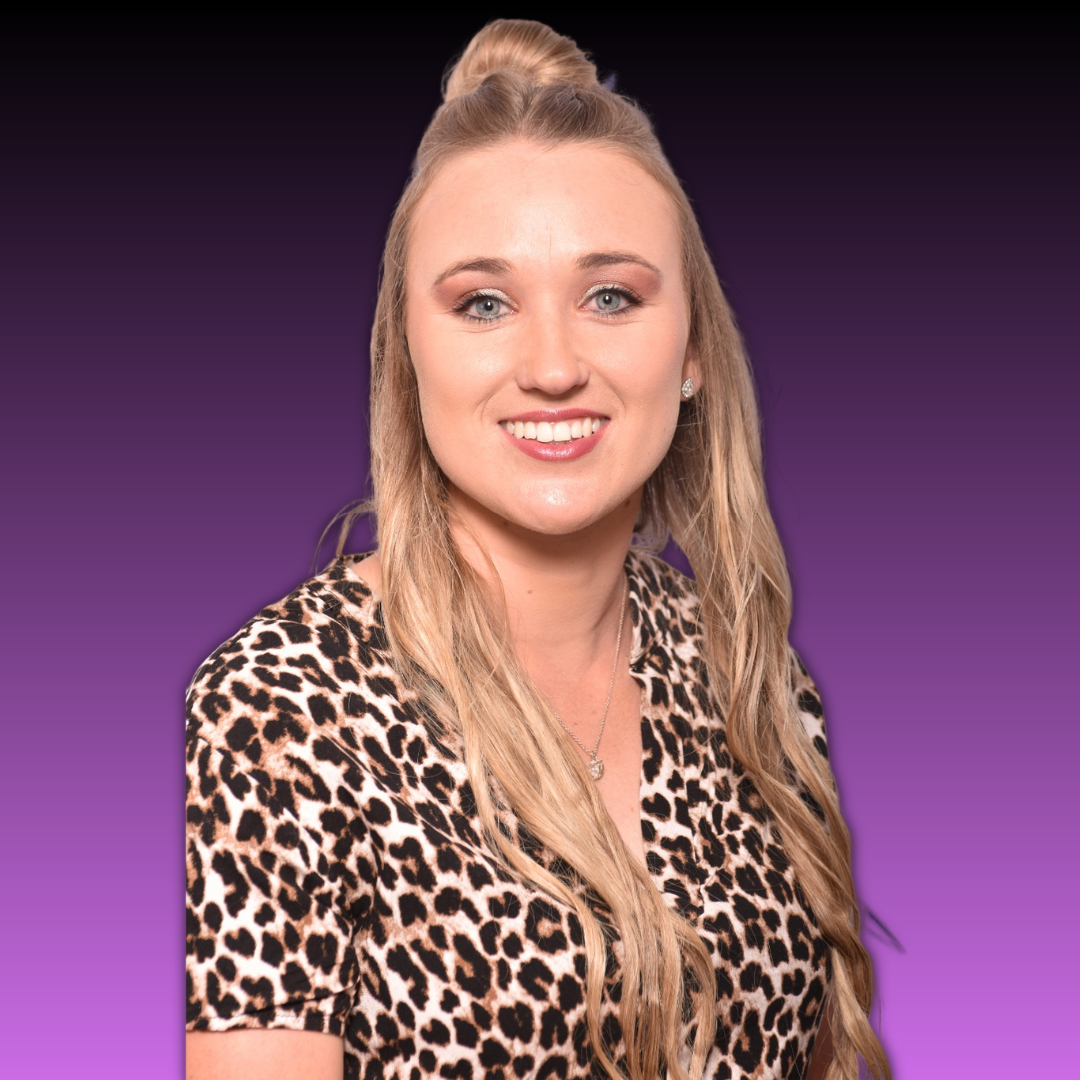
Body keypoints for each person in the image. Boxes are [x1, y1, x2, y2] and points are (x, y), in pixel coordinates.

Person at [185, 20, 890, 1080]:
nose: (553, 366)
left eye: (611, 297)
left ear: (692, 351)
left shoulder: (749, 673)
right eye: (484, 303)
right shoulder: (283, 710)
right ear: (406, 352)